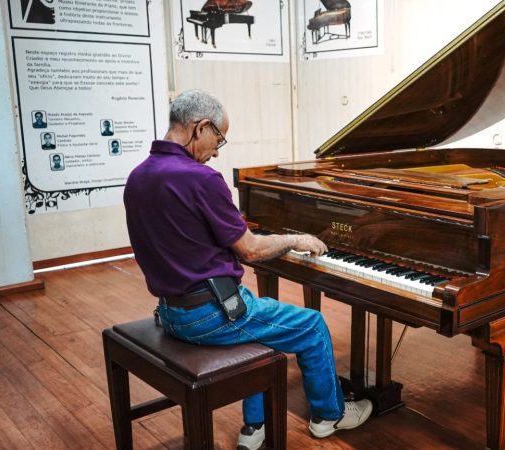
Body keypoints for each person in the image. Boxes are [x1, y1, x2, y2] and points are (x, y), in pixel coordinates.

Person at [123, 89, 372, 450]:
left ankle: (255, 427)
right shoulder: (201, 179)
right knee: (313, 325)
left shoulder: (138, 176)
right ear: (200, 127)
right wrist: (294, 238)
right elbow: (251, 251)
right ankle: (328, 416)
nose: (218, 150)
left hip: (170, 312)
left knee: (258, 328)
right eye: (218, 137)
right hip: (210, 315)